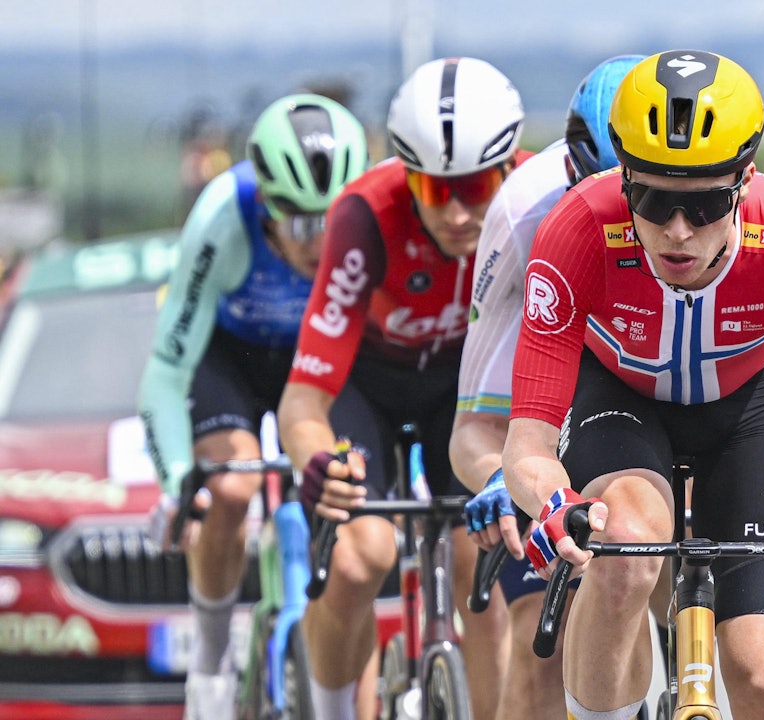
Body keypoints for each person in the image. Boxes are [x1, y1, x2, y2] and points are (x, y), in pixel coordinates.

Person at [501, 50, 764, 720]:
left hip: (749, 410)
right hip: (620, 399)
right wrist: (551, 502)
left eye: (706, 203)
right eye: (653, 200)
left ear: (745, 181)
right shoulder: (577, 228)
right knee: (626, 548)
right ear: (623, 178)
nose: (677, 231)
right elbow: (528, 444)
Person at [276, 56, 528, 720]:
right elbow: (303, 398)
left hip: (466, 389)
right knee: (361, 559)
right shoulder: (365, 214)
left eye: (475, 187)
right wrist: (318, 461)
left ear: (508, 166)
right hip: (368, 388)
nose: (457, 213)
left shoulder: (536, 199)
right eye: (434, 190)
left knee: (485, 555)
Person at [137, 93, 368, 720]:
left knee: (346, 506)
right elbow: (166, 369)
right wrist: (175, 480)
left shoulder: (369, 218)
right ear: (266, 203)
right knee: (232, 487)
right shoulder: (221, 215)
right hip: (230, 361)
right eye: (302, 225)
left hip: (314, 364)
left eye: (333, 221)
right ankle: (212, 659)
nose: (320, 243)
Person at [449, 54, 645, 720]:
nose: (629, 227)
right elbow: (478, 423)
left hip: (647, 400)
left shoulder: (705, 211)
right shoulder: (523, 214)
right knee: (543, 641)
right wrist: (499, 477)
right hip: (555, 402)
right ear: (571, 174)